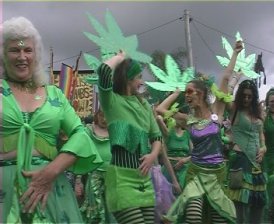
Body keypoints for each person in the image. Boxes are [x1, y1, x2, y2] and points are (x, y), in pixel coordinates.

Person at [0, 16, 102, 223]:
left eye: (27, 50)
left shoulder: (55, 95)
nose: (22, 56)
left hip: (52, 190)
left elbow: (80, 134)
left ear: (36, 55)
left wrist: (51, 171)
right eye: (14, 50)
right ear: (3, 55)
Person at [156, 41, 244, 223]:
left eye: (190, 92)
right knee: (193, 214)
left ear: (202, 94)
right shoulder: (187, 120)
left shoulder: (217, 112)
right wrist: (176, 93)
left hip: (216, 173)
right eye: (186, 93)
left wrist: (235, 53)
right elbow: (160, 110)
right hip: (195, 173)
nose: (187, 96)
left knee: (218, 217)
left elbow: (226, 78)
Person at [96, 51, 162, 223]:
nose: (141, 82)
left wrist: (153, 155)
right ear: (128, 77)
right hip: (121, 180)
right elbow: (103, 71)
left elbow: (157, 138)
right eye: (139, 76)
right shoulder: (111, 101)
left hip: (144, 180)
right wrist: (120, 58)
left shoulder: (144, 104)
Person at [226, 79, 267, 224]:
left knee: (258, 205)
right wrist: (234, 79)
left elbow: (260, 134)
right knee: (240, 206)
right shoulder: (234, 109)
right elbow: (224, 93)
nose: (246, 99)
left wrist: (263, 147)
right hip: (240, 161)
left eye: (250, 96)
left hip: (257, 165)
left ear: (254, 97)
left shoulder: (257, 112)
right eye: (243, 95)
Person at [76, 108, 116, 224]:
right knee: (95, 210)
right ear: (97, 115)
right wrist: (78, 181)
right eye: (101, 115)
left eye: (107, 116)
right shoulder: (88, 130)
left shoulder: (116, 131)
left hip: (112, 175)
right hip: (93, 175)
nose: (104, 119)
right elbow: (80, 153)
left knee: (112, 210)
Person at [156, 113, 191, 191]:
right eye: (179, 117)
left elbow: (195, 153)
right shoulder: (168, 133)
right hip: (169, 167)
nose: (182, 120)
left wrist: (184, 160)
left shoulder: (187, 134)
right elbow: (158, 118)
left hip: (184, 167)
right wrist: (168, 115)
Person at [263, 88, 274, 222]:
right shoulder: (264, 117)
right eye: (271, 101)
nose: (273, 103)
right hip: (267, 159)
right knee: (267, 195)